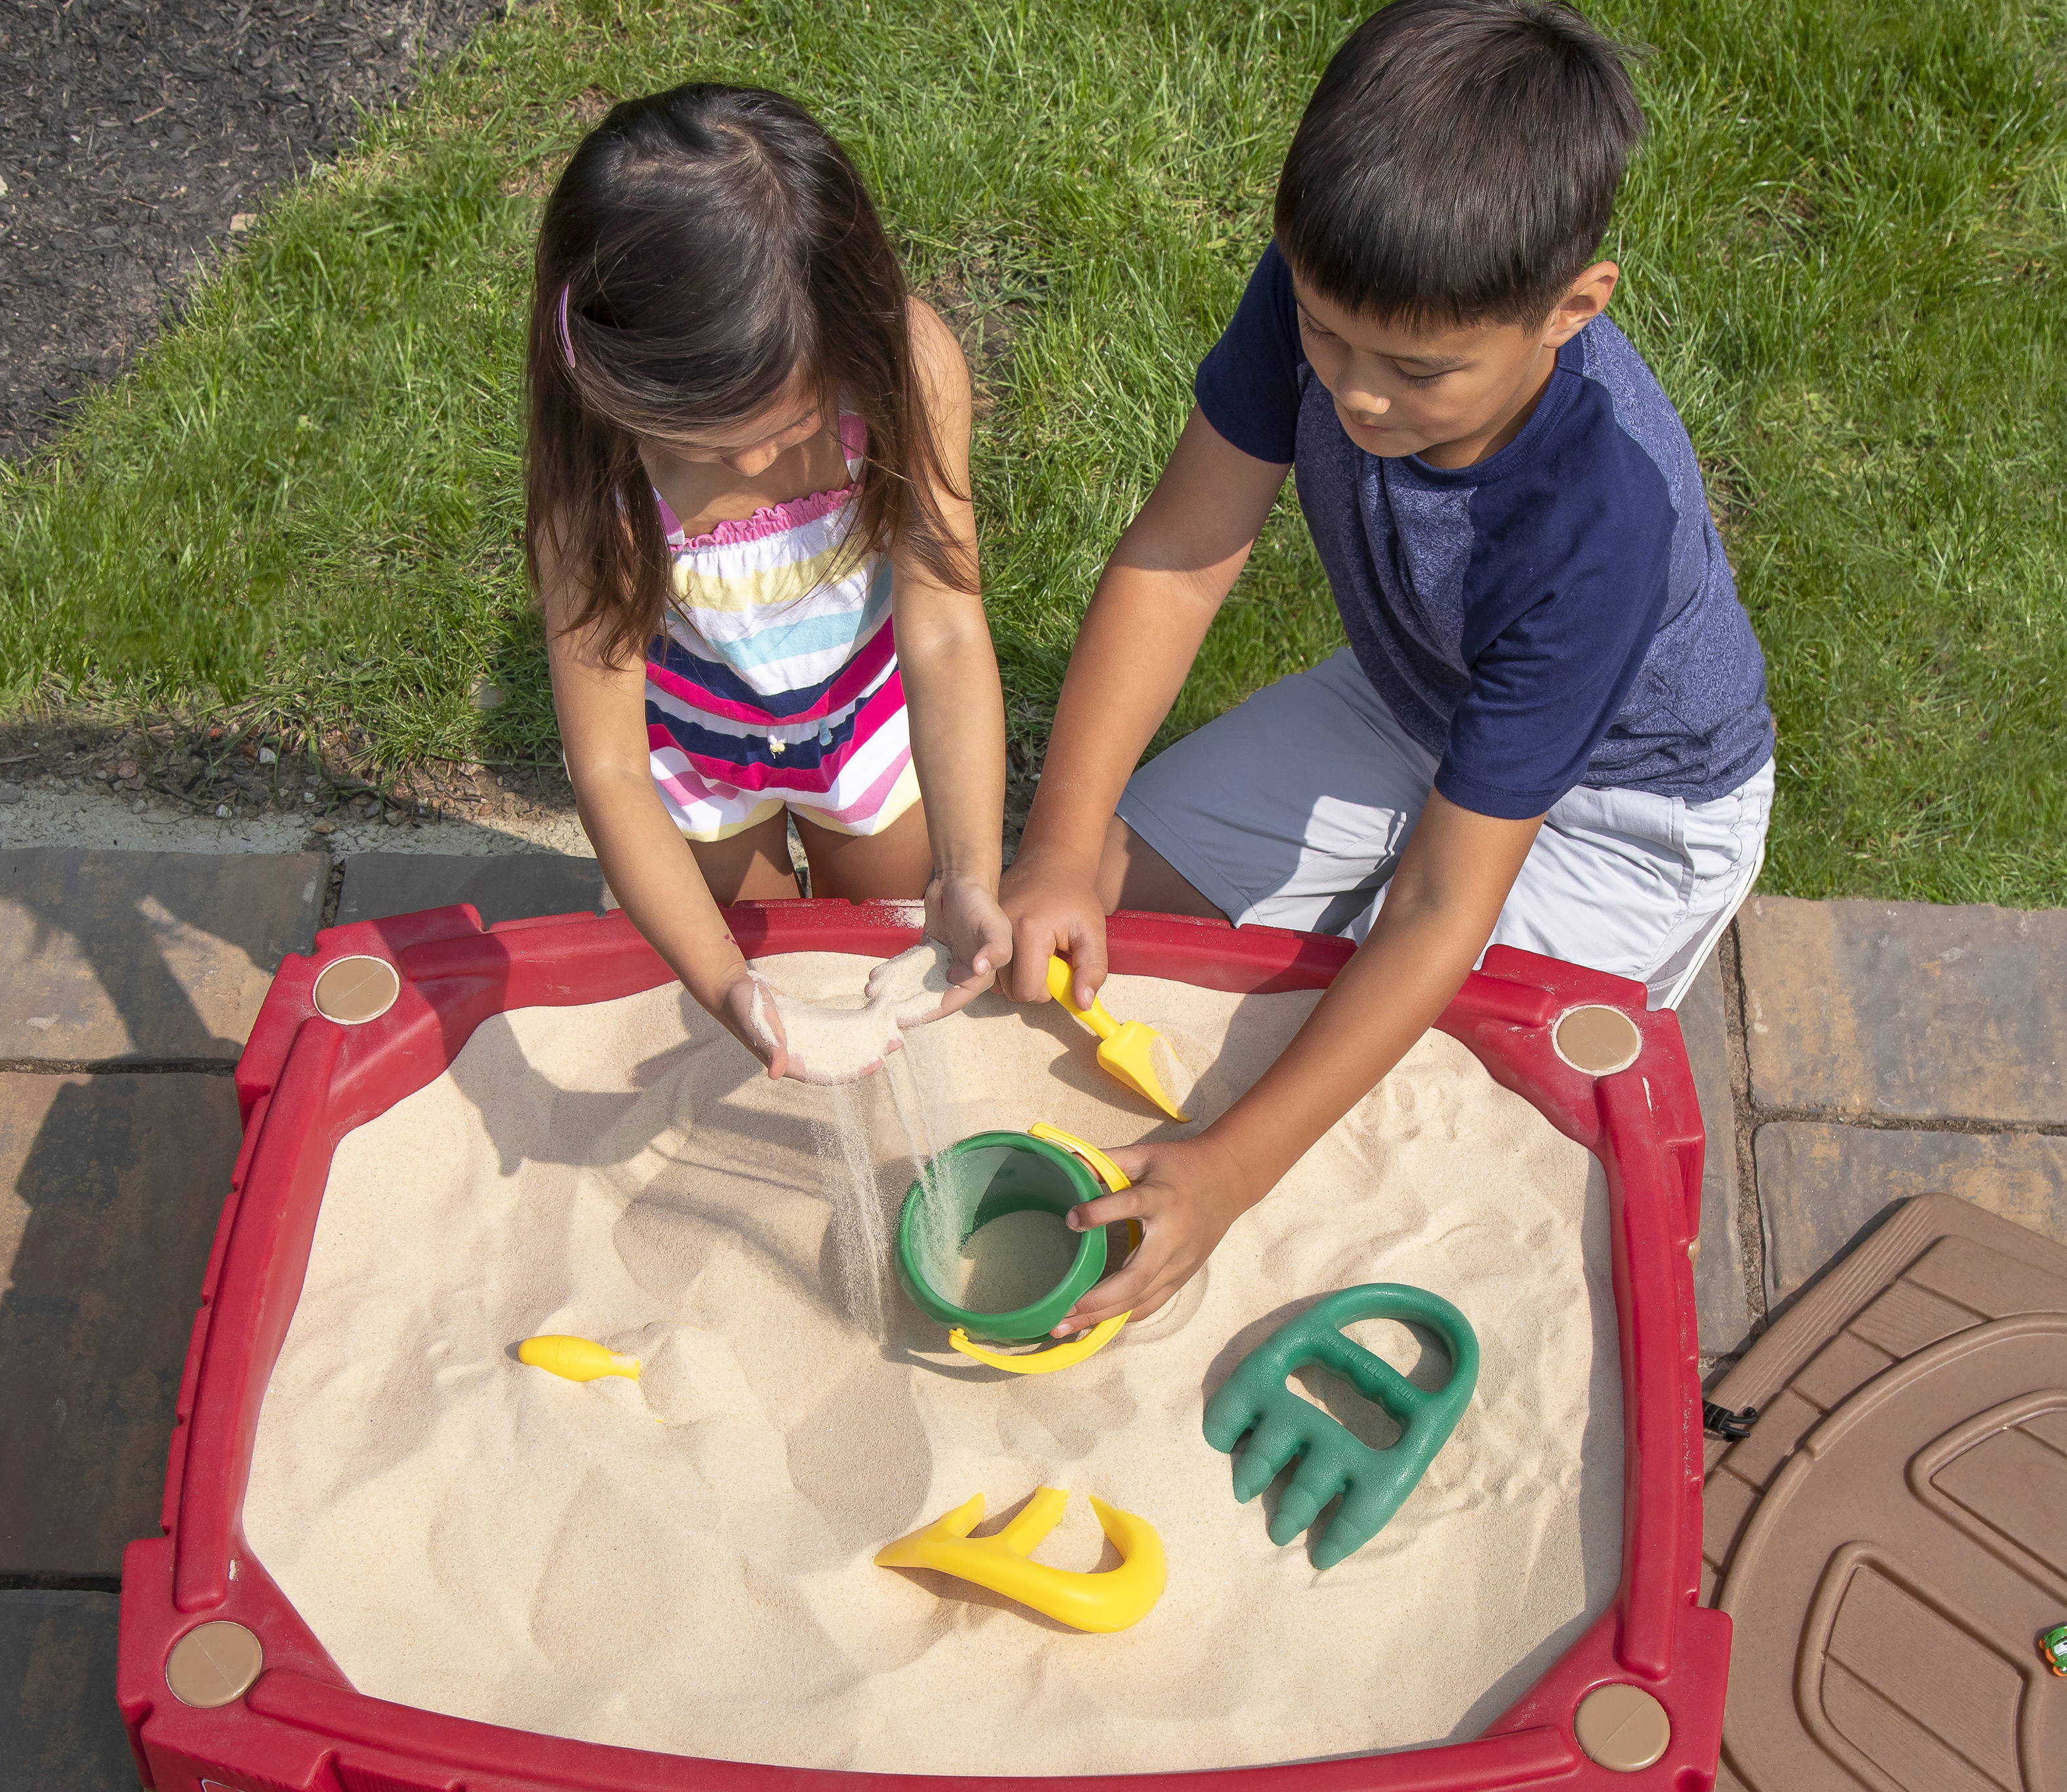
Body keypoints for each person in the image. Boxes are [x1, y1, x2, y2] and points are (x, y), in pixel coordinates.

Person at [999, 0, 1774, 1331]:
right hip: (1411, 695)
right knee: (1106, 906)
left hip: (1624, 813)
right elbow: (1184, 552)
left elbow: (1433, 905)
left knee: (1416, 1102)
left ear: (1571, 308)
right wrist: (1062, 844)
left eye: (1418, 372)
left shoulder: (1599, 523)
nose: (1355, 396)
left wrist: (1233, 1166)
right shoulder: (1343, 284)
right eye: (1323, 332)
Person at [526, 83, 1012, 1080]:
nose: (754, 467)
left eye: (791, 429)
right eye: (706, 446)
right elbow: (612, 770)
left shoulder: (905, 375)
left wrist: (970, 868)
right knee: (754, 947)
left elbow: (948, 630)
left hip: (870, 734)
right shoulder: (597, 488)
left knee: (874, 933)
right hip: (694, 765)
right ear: (616, 385)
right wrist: (726, 984)